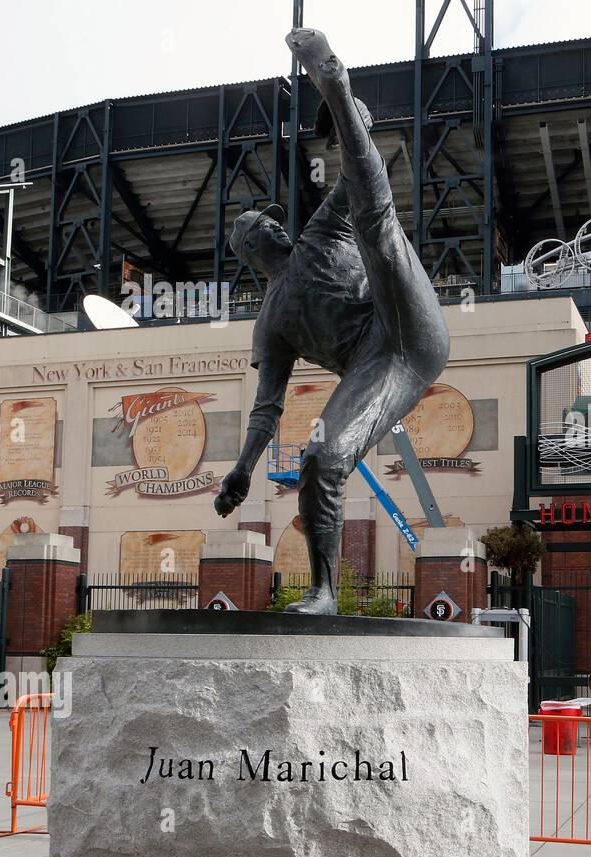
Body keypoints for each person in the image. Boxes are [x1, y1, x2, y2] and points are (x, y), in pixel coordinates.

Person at [214, 28, 449, 614]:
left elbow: (359, 179)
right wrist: (243, 471)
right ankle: (324, 592)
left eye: (269, 220)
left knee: (378, 226)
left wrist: (351, 117)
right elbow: (268, 407)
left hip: (406, 322)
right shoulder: (270, 323)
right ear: (249, 250)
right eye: (258, 227)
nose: (271, 225)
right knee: (320, 458)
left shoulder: (318, 232)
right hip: (384, 366)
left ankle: (334, 82)